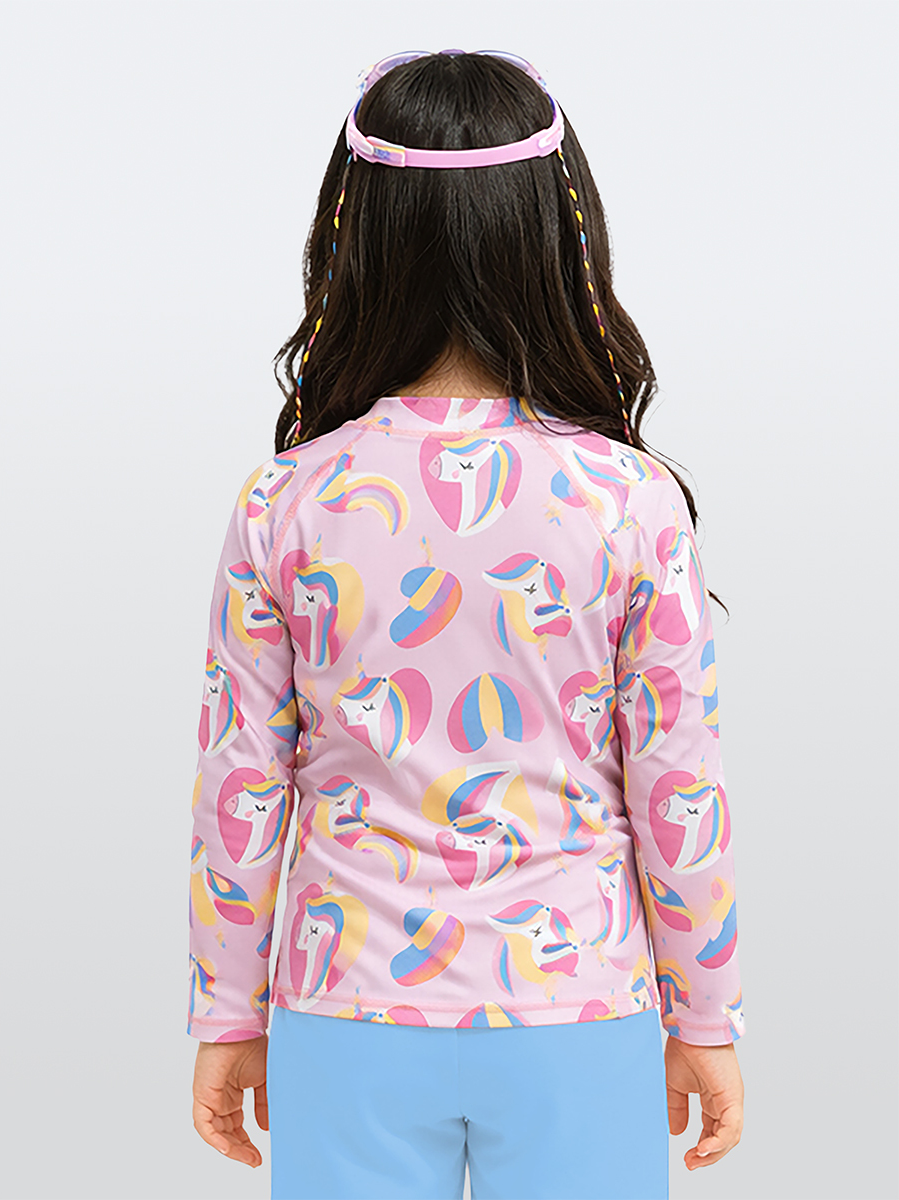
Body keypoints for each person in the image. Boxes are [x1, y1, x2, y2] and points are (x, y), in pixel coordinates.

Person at [187, 49, 745, 1200]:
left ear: (355, 239)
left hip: (346, 1008)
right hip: (577, 1007)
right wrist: (705, 1014)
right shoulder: (627, 502)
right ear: (554, 236)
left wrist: (228, 1012)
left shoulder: (287, 500)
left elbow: (241, 781)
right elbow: (678, 782)